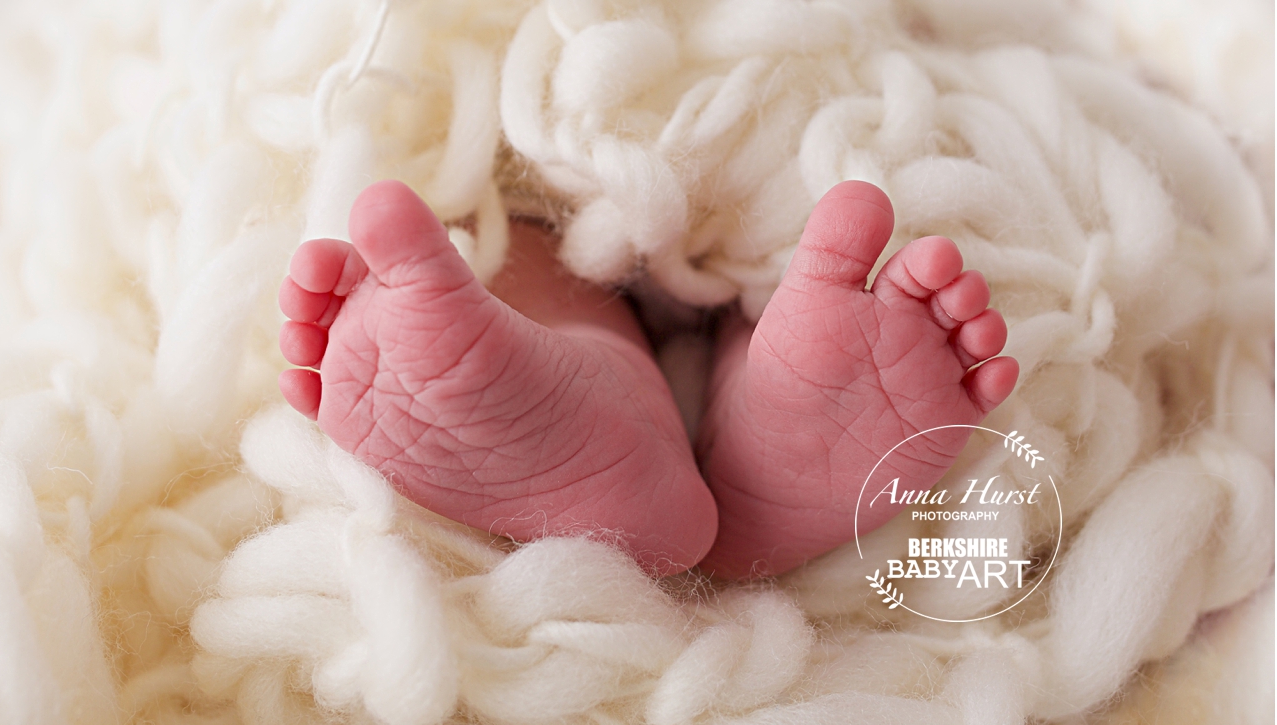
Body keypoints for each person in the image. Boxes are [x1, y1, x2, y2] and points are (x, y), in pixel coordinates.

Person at [278, 180, 1018, 578]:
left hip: (555, 156)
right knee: (776, 259)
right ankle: (742, 402)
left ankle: (614, 377)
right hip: (740, 157)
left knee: (512, 223)